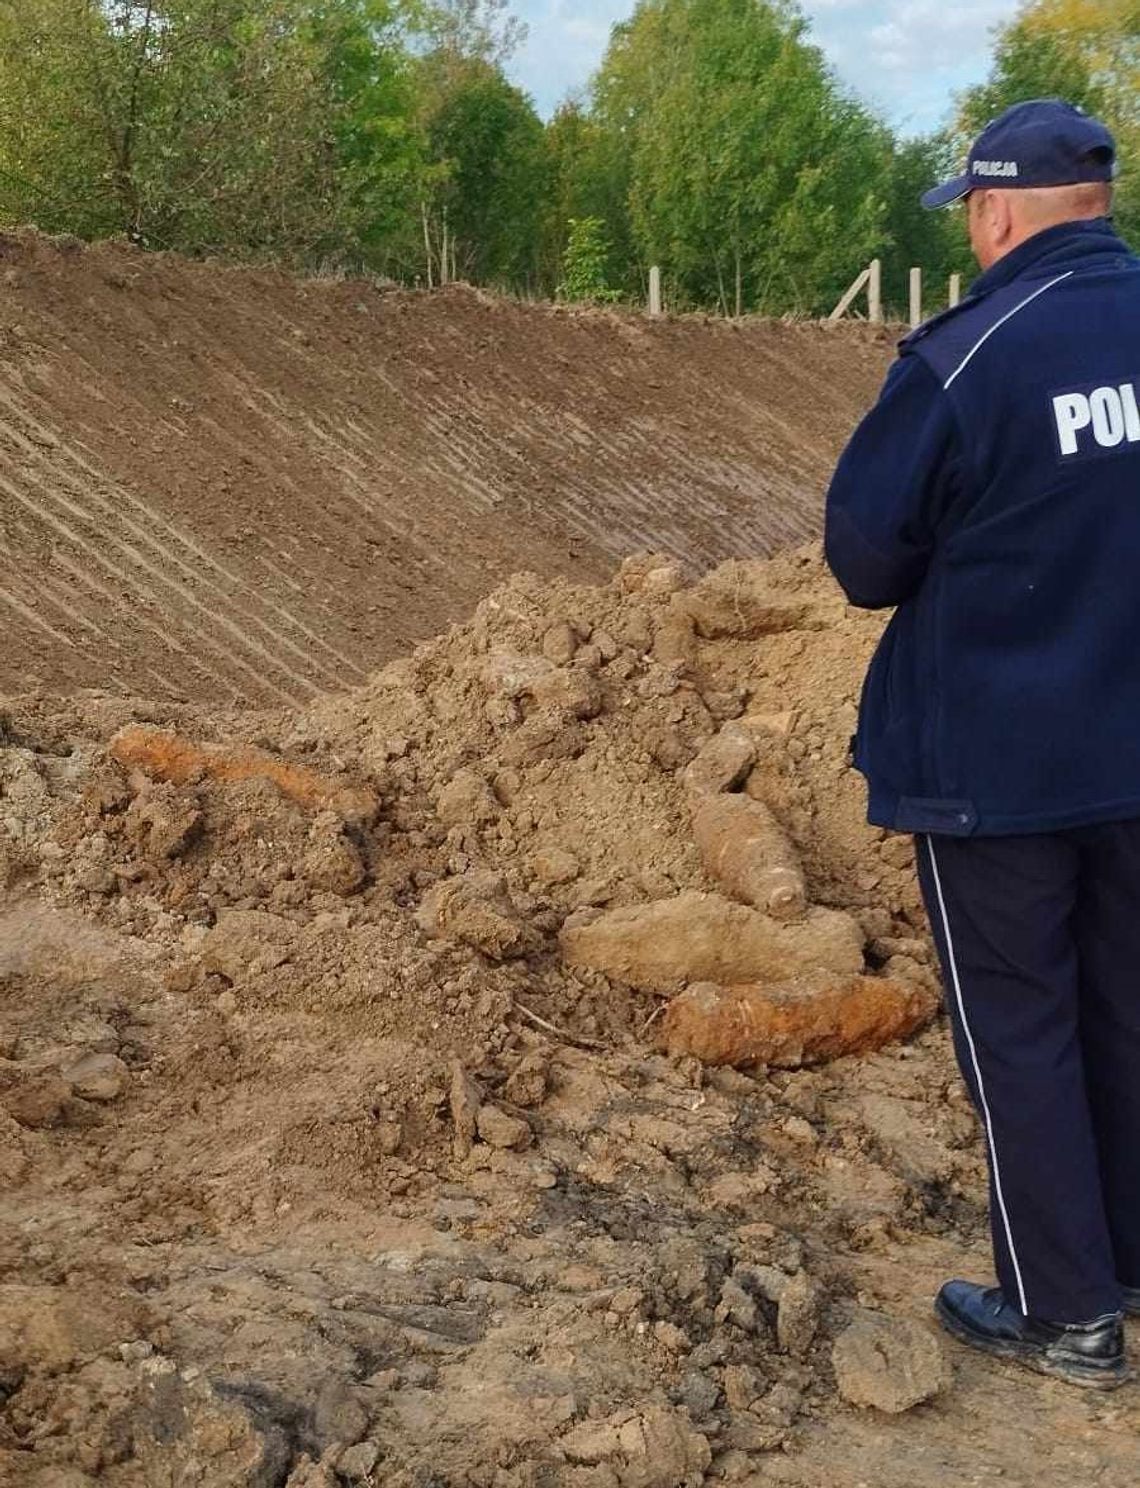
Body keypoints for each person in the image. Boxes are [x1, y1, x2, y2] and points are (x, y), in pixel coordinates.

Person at [825, 98, 1140, 1390]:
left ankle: (1064, 1309)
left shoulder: (968, 355)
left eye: (968, 213)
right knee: (1126, 1004)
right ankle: (1121, 1256)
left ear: (997, 210)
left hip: (997, 763)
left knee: (1021, 1027)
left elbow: (864, 557)